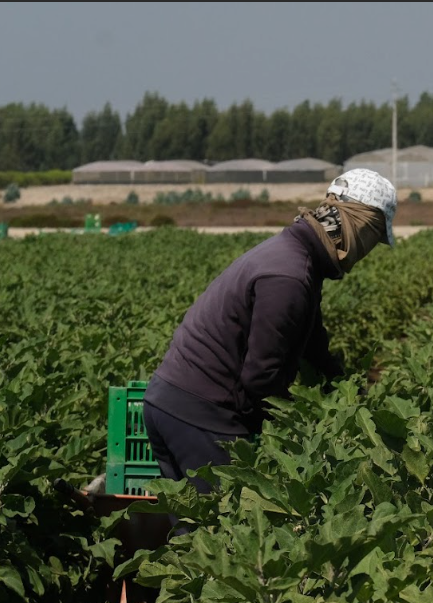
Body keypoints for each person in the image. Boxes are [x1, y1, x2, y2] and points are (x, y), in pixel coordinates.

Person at [142, 168, 398, 503]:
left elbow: (314, 345)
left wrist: (351, 395)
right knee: (226, 524)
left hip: (172, 403)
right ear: (358, 225)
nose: (367, 252)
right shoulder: (289, 276)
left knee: (191, 524)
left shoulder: (296, 257)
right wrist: (303, 426)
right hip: (202, 413)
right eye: (373, 238)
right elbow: (261, 377)